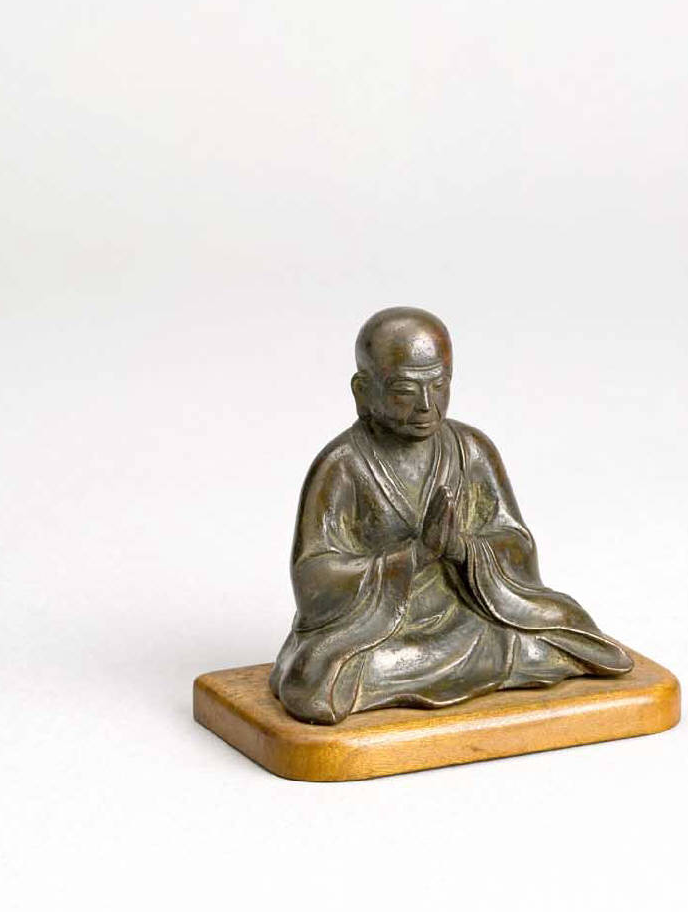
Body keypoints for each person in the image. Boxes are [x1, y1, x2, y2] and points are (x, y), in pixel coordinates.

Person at [269, 307, 633, 724]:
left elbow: (516, 543)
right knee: (314, 676)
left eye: (439, 385)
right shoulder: (343, 465)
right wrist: (414, 556)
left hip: (471, 615)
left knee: (565, 625)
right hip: (384, 631)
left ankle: (475, 664)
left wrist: (462, 548)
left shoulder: (471, 449)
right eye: (405, 390)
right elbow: (314, 578)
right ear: (363, 390)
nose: (427, 405)